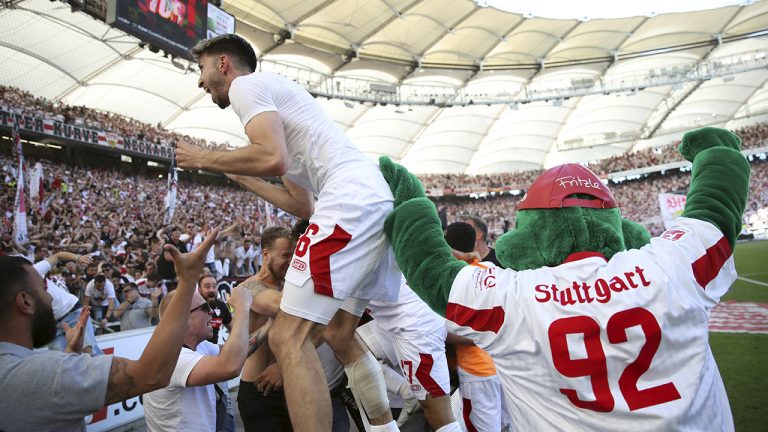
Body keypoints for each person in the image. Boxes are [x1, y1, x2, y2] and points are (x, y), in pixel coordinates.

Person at [377, 127, 750, 430]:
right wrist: (716, 152)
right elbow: (715, 208)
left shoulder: (513, 297)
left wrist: (410, 201)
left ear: (526, 237)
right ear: (617, 225)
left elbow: (430, 266)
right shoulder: (669, 265)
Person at [179, 34, 400, 431]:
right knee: (339, 332)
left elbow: (271, 156)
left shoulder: (246, 86)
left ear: (224, 64)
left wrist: (205, 158)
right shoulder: (277, 107)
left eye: (202, 68)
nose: (200, 81)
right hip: (371, 201)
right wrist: (238, 173)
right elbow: (301, 204)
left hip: (349, 198)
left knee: (288, 339)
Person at [0, 229, 219, 431]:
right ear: (25, 302)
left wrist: (71, 355)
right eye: (43, 289)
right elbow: (152, 376)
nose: (49, 297)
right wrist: (188, 282)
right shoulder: (48, 373)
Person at [237, 225, 348, 432]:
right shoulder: (249, 287)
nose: (291, 261)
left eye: (295, 255)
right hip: (261, 394)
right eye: (286, 255)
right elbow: (279, 305)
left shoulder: (290, 286)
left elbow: (325, 325)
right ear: (266, 254)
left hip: (292, 386)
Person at [143, 284, 254, 432]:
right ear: (184, 318)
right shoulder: (170, 357)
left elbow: (240, 350)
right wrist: (242, 308)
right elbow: (231, 366)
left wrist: (271, 323)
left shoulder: (200, 346)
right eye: (205, 308)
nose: (212, 312)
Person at [443, 222, 509, 432]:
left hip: (477, 369)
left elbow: (445, 332)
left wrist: (480, 335)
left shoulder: (452, 280)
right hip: (505, 364)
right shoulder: (492, 270)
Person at [198, 274, 232, 344]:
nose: (212, 290)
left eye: (214, 286)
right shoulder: (192, 306)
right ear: (199, 290)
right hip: (193, 352)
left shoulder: (221, 306)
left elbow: (234, 329)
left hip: (213, 351)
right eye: (207, 287)